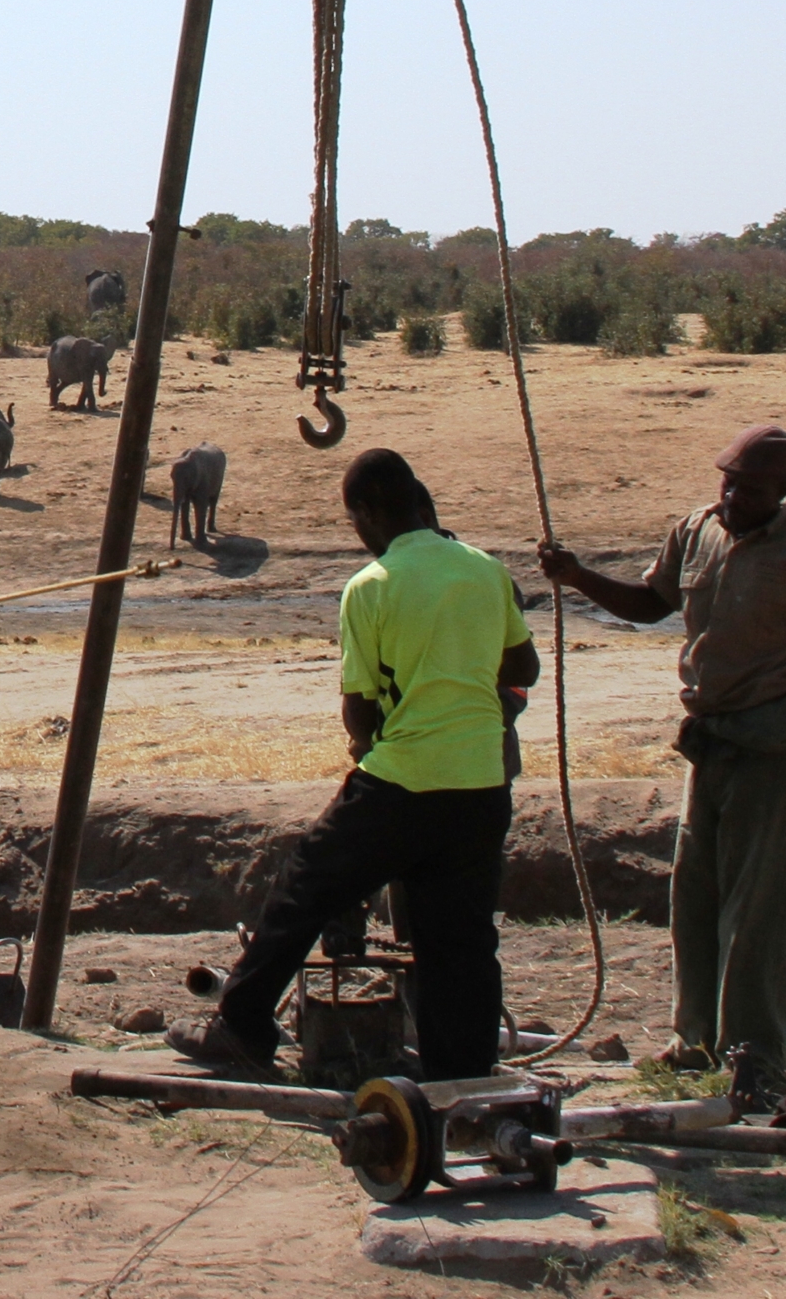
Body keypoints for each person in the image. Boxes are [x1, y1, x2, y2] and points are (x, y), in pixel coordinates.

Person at [168, 449, 542, 1080]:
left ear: (367, 512)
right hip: (482, 784)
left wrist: (376, 745)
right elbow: (524, 669)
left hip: (402, 779)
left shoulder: (370, 587)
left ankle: (243, 1025)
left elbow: (358, 712)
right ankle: (465, 1073)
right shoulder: (486, 570)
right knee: (462, 940)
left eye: (354, 521)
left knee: (306, 885)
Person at [536, 423, 786, 1102]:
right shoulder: (696, 530)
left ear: (783, 492)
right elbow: (651, 603)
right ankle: (696, 1042)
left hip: (779, 742)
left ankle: (756, 1053)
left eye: (752, 488)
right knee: (696, 892)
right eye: (729, 482)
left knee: (761, 903)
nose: (734, 497)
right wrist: (577, 576)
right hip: (710, 737)